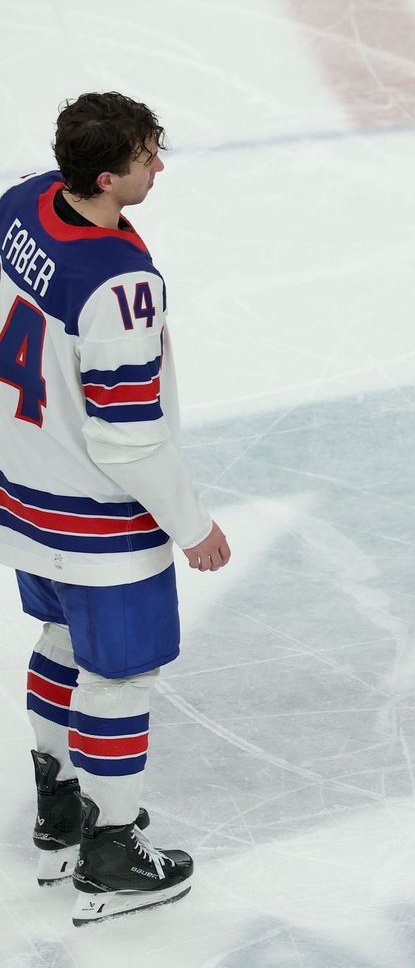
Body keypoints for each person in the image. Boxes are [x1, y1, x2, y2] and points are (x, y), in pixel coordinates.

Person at [1, 92, 229, 924]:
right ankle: (111, 846)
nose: (159, 164)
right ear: (105, 177)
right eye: (145, 155)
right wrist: (193, 525)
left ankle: (58, 808)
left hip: (23, 491)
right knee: (120, 675)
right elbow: (130, 440)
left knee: (60, 640)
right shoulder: (117, 283)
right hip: (98, 516)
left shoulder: (23, 201)